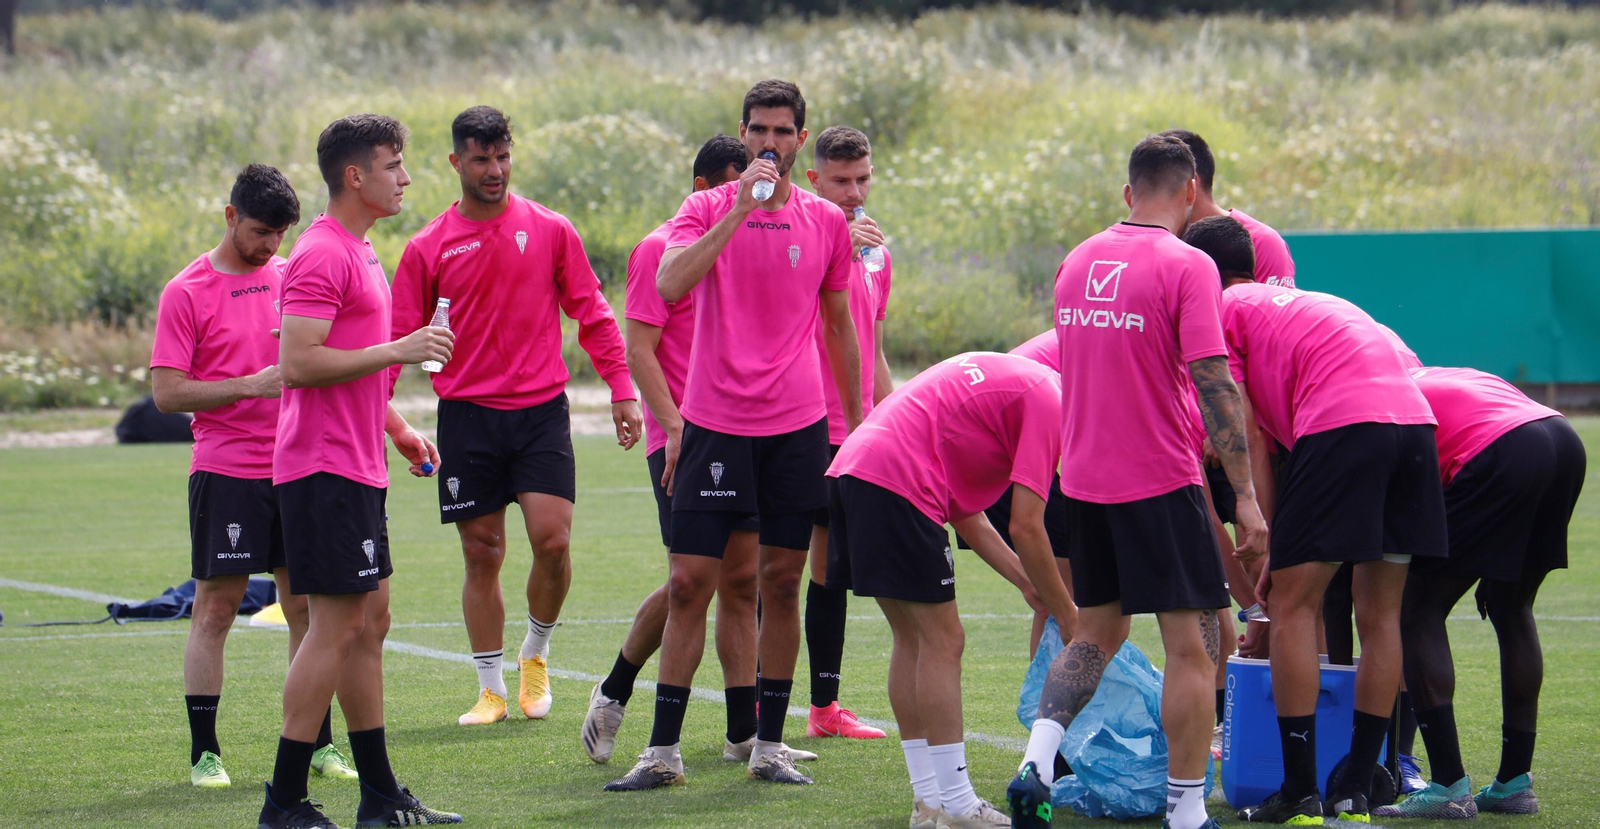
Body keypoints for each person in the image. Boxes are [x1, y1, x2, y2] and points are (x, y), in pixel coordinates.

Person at [604, 79, 862, 791]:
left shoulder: (825, 222)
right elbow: (670, 282)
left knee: (779, 582)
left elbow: (840, 326)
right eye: (758, 131)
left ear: (800, 138)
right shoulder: (706, 207)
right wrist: (740, 210)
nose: (769, 144)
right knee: (691, 583)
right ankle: (662, 753)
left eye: (782, 132)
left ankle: (767, 746)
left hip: (797, 427)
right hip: (714, 426)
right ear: (743, 135)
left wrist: (860, 425)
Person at [1009, 136, 1268, 829]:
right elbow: (1214, 381)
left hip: (1083, 480)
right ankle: (1186, 810)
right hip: (1159, 477)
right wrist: (1245, 495)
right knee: (1195, 646)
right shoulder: (1188, 264)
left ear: (1129, 193)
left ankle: (1038, 761)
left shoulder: (1077, 261)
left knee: (1093, 634)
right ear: (1190, 192)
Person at [1181, 215, 1446, 825]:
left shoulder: (1221, 308)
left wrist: (1266, 534)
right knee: (1380, 615)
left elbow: (1247, 432)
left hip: (1344, 427)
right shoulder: (1301, 302)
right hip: (1415, 429)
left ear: (1202, 275)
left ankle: (1299, 788)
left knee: (1293, 606)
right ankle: (1358, 783)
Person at [391, 106, 642, 727]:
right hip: (467, 416)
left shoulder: (551, 229)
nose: (494, 170)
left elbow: (592, 312)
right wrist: (385, 421)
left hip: (539, 413)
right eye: (481, 159)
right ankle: (490, 689)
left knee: (553, 542)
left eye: (502, 157)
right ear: (456, 162)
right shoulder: (427, 247)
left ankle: (535, 653)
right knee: (483, 553)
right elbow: (395, 341)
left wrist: (621, 387)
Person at [585, 134, 817, 767]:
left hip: (742, 432)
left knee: (742, 581)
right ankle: (614, 691)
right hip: (682, 435)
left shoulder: (760, 239)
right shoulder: (662, 248)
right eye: (739, 184)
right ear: (704, 190)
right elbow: (639, 350)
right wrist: (673, 426)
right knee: (692, 579)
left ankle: (746, 732)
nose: (753, 196)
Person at [259, 114, 460, 829]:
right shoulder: (321, 252)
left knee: (370, 621)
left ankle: (379, 795)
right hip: (323, 470)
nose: (405, 177)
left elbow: (349, 364)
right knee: (335, 627)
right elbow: (298, 363)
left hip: (357, 465)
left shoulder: (361, 248)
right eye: (392, 164)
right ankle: (283, 802)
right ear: (355, 175)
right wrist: (402, 349)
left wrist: (397, 428)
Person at [151, 164, 358, 789]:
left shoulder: (292, 276)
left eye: (280, 234)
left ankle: (319, 744)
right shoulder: (185, 291)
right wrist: (249, 385)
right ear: (230, 217)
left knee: (306, 611)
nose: (271, 245)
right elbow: (167, 394)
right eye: (261, 232)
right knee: (214, 609)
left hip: (298, 465)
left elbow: (326, 361)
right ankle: (205, 753)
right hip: (228, 470)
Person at [829, 351, 1076, 829]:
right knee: (944, 641)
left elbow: (967, 514)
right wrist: (1068, 615)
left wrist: (1027, 584)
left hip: (853, 471)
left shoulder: (1030, 388)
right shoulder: (1052, 401)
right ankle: (959, 805)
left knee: (913, 639)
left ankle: (929, 804)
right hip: (894, 478)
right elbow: (1027, 525)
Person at [1371, 366, 1583, 819]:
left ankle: (1448, 786)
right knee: (1512, 605)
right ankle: (1513, 784)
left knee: (1415, 610)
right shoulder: (1433, 374)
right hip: (1562, 439)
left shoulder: (1376, 399)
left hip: (1502, 448)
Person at [800, 124, 894, 740]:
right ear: (814, 180)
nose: (854, 193)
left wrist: (896, 419)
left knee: (831, 567)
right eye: (841, 181)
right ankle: (753, 714)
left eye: (862, 179)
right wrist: (833, 245)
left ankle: (823, 709)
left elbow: (873, 348)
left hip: (857, 431)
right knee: (778, 567)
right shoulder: (802, 237)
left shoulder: (878, 254)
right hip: (800, 424)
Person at [1160, 129, 1296, 287]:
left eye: (1158, 185)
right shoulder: (1157, 243)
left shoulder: (1263, 243)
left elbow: (1270, 303)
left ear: (1189, 184)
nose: (1150, 196)